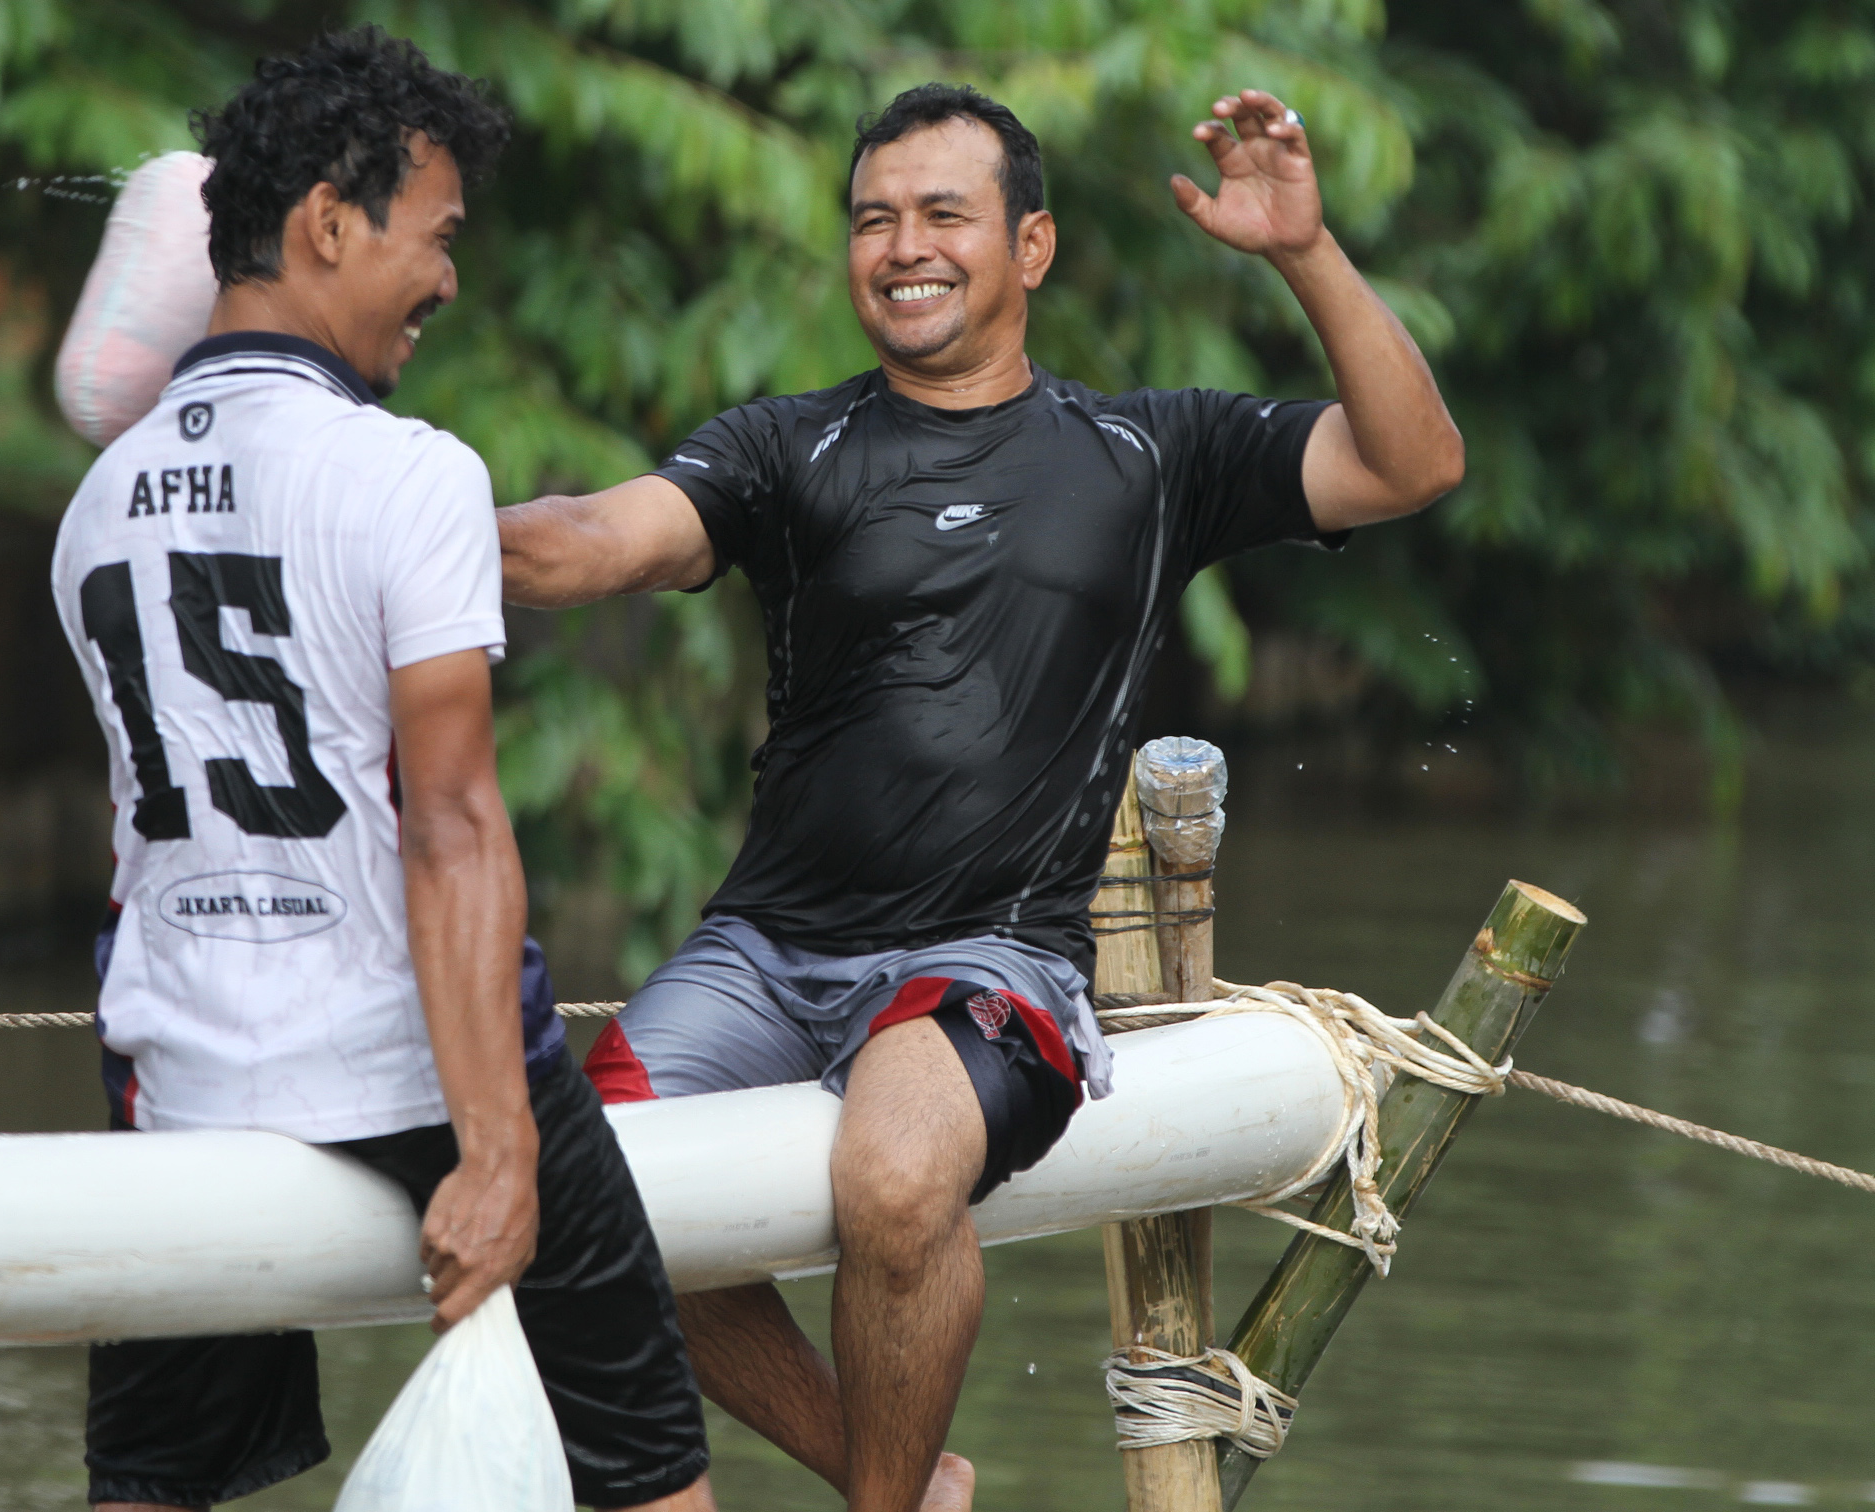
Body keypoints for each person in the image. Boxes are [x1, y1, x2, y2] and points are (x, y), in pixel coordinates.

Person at [498, 83, 1464, 1512]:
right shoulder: (789, 449)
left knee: (893, 1179)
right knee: (563, 1206)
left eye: (944, 213)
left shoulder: (1149, 457)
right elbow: (594, 542)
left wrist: (1303, 253)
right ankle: (901, 1481)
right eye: (873, 218)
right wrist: (392, 516)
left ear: (1034, 246)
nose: (903, 246)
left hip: (995, 956)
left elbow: (1412, 462)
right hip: (764, 951)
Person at [50, 29, 714, 1512]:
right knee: (651, 1471)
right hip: (407, 1073)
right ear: (328, 224)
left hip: (181, 1079)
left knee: (144, 1486)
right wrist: (492, 1152)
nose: (451, 279)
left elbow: (140, 844)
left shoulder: (98, 504)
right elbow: (453, 832)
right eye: (438, 237)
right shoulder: (410, 472)